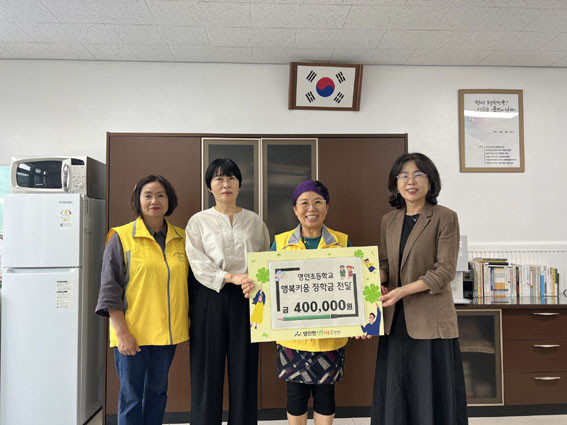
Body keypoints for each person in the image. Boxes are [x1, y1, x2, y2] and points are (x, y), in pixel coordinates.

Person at [370, 153, 468, 425]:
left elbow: (444, 271)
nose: (410, 181)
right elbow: (385, 264)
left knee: (428, 392)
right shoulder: (389, 220)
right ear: (395, 183)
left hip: (430, 320)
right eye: (403, 176)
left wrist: (401, 291)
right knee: (397, 390)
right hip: (394, 319)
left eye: (418, 175)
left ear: (430, 181)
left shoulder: (445, 217)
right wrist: (373, 278)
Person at [95, 175, 189, 425]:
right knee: (132, 397)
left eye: (160, 195)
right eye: (148, 195)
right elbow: (110, 289)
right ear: (138, 200)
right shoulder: (121, 236)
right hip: (132, 334)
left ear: (169, 200)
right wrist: (122, 333)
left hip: (166, 335)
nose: (154, 200)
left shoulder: (182, 238)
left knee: (157, 394)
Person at [185, 158, 270, 425]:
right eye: (219, 179)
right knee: (206, 371)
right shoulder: (199, 221)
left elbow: (264, 258)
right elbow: (196, 261)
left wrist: (252, 280)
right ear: (209, 186)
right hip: (210, 296)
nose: (226, 184)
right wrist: (229, 276)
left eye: (231, 178)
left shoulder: (254, 221)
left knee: (245, 369)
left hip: (246, 298)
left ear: (239, 184)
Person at [271, 180, 351, 425]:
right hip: (292, 336)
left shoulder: (342, 242)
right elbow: (268, 285)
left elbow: (354, 287)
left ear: (327, 207)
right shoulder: (281, 243)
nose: (311, 208)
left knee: (325, 394)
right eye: (304, 203)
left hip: (330, 335)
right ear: (295, 209)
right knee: (296, 394)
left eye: (318, 202)